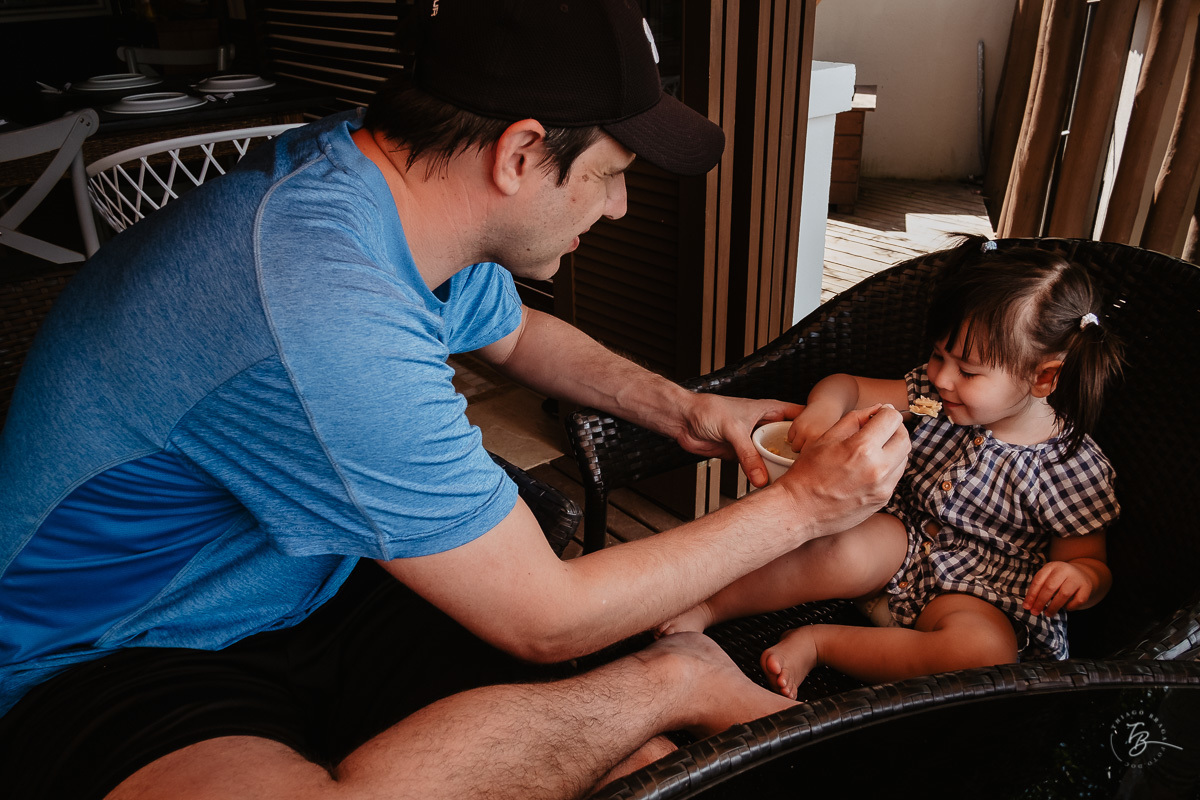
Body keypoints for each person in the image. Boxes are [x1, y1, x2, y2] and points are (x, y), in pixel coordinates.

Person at [0, 2, 910, 798]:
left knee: (636, 769)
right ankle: (675, 675)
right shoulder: (322, 301)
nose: (622, 206)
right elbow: (546, 619)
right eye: (610, 171)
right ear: (519, 152)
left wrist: (686, 411)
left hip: (312, 574)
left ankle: (672, 699)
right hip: (110, 645)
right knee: (615, 709)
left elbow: (515, 335)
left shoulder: (375, 176)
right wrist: (804, 506)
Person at [660, 235, 1124, 699]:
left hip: (980, 595)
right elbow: (847, 386)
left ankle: (821, 643)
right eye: (938, 355)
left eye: (967, 370)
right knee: (829, 545)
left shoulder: (1071, 464)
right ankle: (706, 605)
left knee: (984, 654)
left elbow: (1087, 561)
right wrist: (824, 408)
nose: (942, 377)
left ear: (1044, 377)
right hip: (897, 542)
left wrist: (1080, 577)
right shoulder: (931, 398)